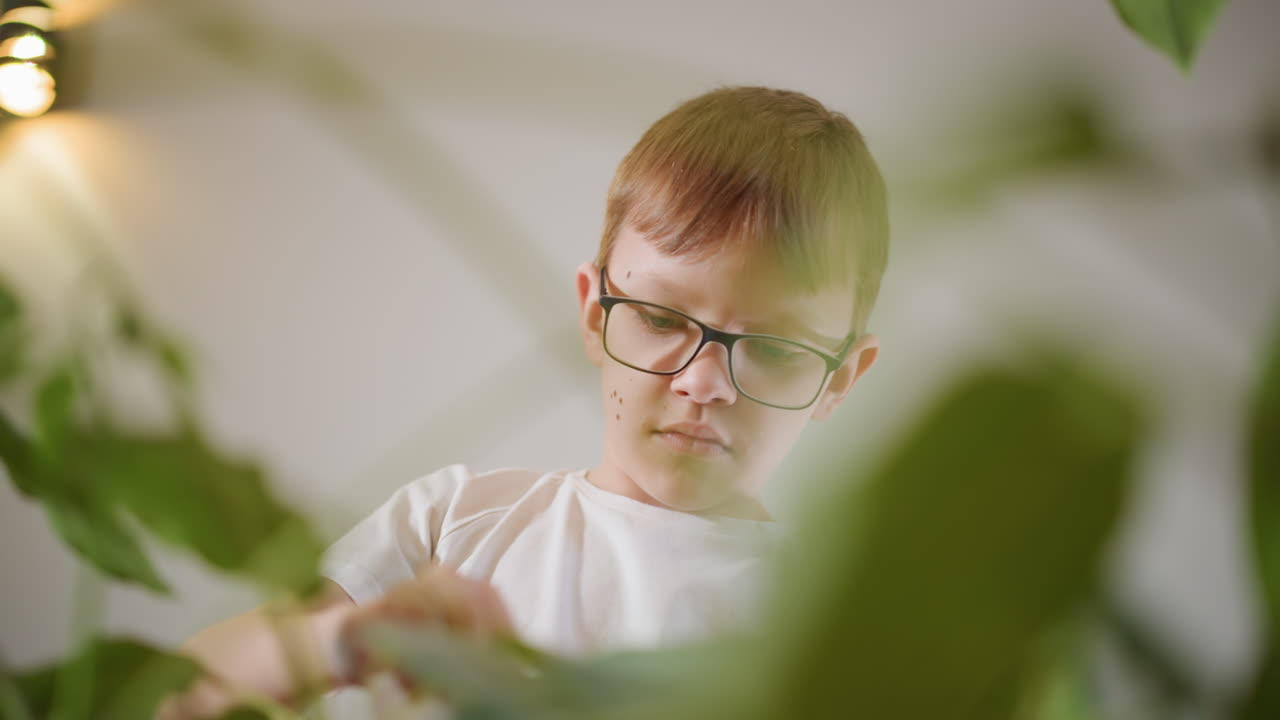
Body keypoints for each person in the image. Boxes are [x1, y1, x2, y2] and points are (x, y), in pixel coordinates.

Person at [162, 85, 888, 718]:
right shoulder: (453, 524)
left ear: (841, 380)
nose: (703, 383)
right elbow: (176, 695)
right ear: (595, 313)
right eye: (662, 320)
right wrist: (343, 641)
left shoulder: (835, 625)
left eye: (778, 349)